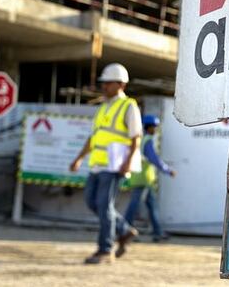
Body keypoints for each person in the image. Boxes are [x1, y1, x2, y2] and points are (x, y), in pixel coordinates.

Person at [70, 63, 142, 264]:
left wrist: (127, 163)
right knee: (92, 203)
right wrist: (79, 158)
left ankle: (105, 250)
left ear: (121, 84)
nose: (104, 86)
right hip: (97, 165)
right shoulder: (102, 108)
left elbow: (136, 137)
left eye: (108, 83)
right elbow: (94, 138)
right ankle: (125, 230)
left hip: (114, 166)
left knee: (104, 206)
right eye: (104, 83)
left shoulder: (129, 106)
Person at [125, 114, 175, 242]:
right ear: (149, 127)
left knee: (152, 206)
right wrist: (167, 170)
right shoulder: (147, 140)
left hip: (141, 178)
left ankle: (157, 232)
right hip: (143, 179)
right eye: (154, 127)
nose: (156, 130)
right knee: (134, 206)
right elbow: (154, 159)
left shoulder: (141, 139)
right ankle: (124, 230)